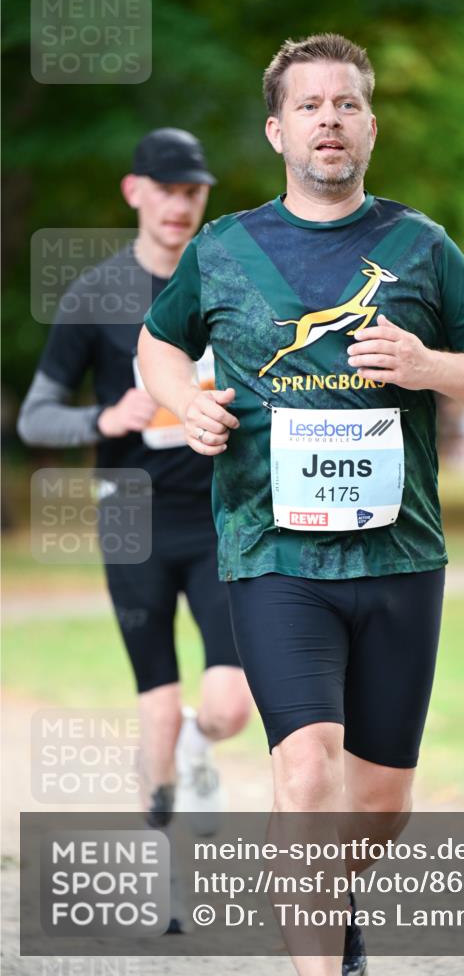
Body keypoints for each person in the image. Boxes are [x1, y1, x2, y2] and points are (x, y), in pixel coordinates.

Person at [138, 35, 464, 976]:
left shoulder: (420, 246)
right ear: (278, 130)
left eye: (346, 104)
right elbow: (157, 345)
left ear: (370, 125)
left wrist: (429, 367)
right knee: (306, 771)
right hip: (272, 554)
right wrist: (187, 402)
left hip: (400, 557)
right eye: (309, 106)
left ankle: (330, 898)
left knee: (382, 802)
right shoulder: (224, 248)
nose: (329, 121)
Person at [18, 128, 254, 850]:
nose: (180, 205)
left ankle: (197, 741)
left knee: (228, 708)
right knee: (155, 709)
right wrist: (102, 414)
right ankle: (160, 864)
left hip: (221, 512)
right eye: (167, 190)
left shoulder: (230, 285)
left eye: (193, 192)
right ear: (135, 193)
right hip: (132, 521)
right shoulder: (97, 295)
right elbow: (35, 418)